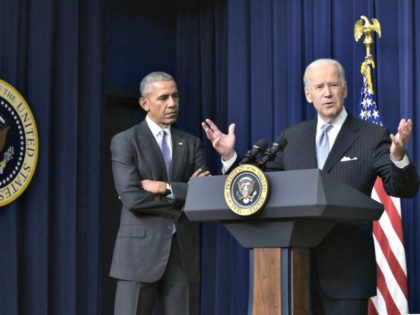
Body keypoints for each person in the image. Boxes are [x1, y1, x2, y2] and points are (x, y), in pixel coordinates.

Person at [202, 58, 419, 315]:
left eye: (333, 85)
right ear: (308, 95)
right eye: (319, 87)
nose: (327, 93)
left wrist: (398, 157)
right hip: (295, 271)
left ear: (345, 90)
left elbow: (402, 189)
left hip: (347, 274)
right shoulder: (291, 137)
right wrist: (230, 157)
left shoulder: (372, 135)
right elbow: (258, 189)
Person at [110, 71, 209, 315]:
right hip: (137, 256)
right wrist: (184, 194)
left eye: (175, 96)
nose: (172, 104)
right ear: (145, 103)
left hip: (182, 255)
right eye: (163, 98)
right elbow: (132, 198)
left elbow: (204, 195)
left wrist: (164, 188)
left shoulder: (192, 142)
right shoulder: (125, 141)